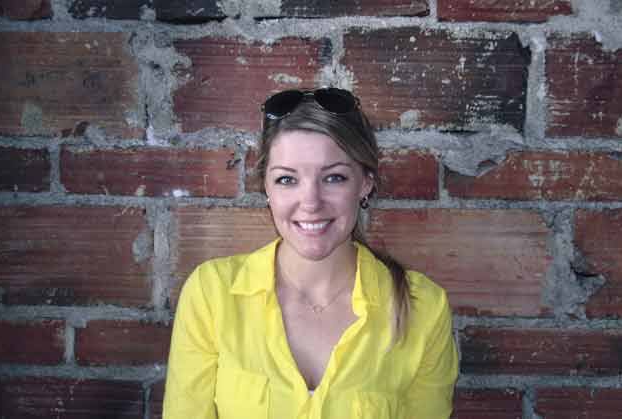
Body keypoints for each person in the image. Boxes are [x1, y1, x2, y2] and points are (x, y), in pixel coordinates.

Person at [163, 88, 459, 419]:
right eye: (287, 179)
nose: (311, 202)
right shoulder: (211, 293)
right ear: (266, 188)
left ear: (365, 183)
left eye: (334, 177)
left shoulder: (423, 308)